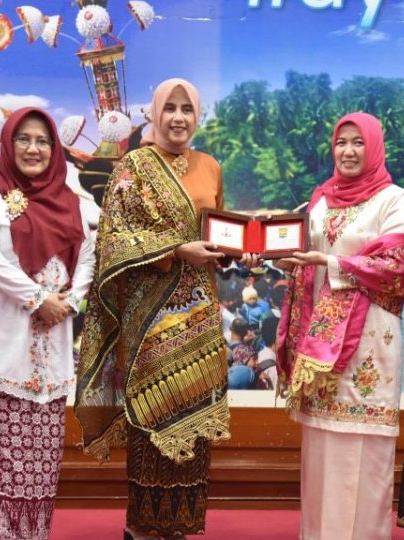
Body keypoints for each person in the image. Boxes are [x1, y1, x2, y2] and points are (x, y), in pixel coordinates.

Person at [76, 78, 256, 540]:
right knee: (155, 414)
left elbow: (218, 234)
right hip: (150, 321)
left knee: (192, 422)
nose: (178, 118)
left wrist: (240, 252)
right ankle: (142, 527)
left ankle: (178, 526)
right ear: (155, 114)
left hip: (200, 317)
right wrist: (176, 250)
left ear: (197, 116)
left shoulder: (210, 166)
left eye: (187, 109)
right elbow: (115, 239)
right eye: (170, 108)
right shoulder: (133, 166)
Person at [276, 112, 404, 540]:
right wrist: (282, 259)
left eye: (358, 143)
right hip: (320, 344)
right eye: (341, 142)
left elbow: (394, 265)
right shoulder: (321, 198)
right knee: (321, 448)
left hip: (370, 340)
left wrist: (330, 262)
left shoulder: (392, 198)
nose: (349, 151)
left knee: (364, 449)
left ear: (373, 147)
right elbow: (303, 254)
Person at [0, 108, 96, 540]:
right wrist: (37, 299)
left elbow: (89, 255)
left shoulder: (73, 201)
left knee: (39, 473)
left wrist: (70, 302)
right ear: (8, 144)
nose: (33, 149)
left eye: (42, 141)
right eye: (23, 139)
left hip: (51, 359)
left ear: (54, 148)